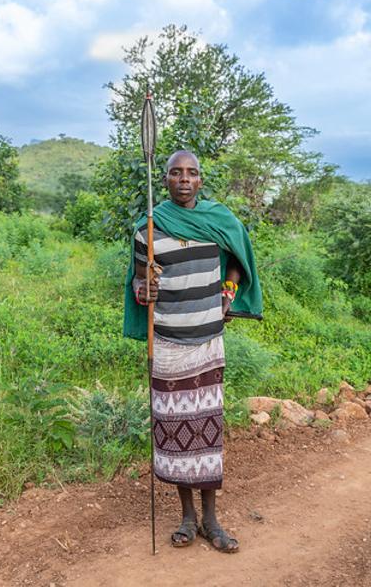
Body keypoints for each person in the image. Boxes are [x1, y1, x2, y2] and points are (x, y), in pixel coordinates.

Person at [124, 150, 262, 552]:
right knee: (176, 433)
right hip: (167, 346)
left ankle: (212, 522)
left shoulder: (219, 221)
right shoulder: (148, 229)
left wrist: (229, 291)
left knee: (206, 432)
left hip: (207, 344)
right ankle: (187, 518)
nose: (184, 179)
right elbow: (137, 282)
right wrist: (143, 289)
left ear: (201, 180)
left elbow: (240, 260)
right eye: (176, 173)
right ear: (164, 179)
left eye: (192, 173)